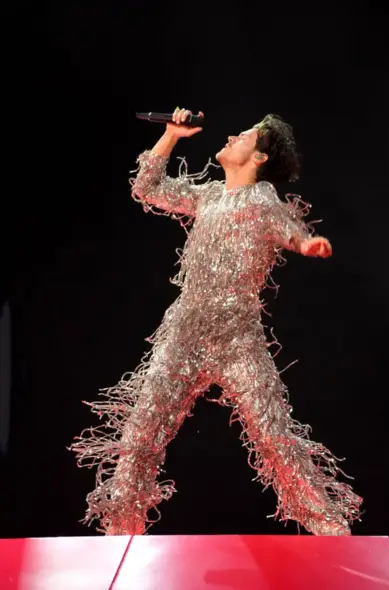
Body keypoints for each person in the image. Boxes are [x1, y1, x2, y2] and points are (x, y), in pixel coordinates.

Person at [71, 107, 362, 536]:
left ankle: (332, 532)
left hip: (237, 337)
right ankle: (121, 538)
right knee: (140, 434)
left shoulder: (262, 199)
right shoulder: (207, 196)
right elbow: (146, 186)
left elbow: (287, 227)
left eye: (245, 135)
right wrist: (171, 135)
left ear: (259, 157)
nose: (231, 136)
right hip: (186, 332)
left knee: (275, 438)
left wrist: (305, 243)